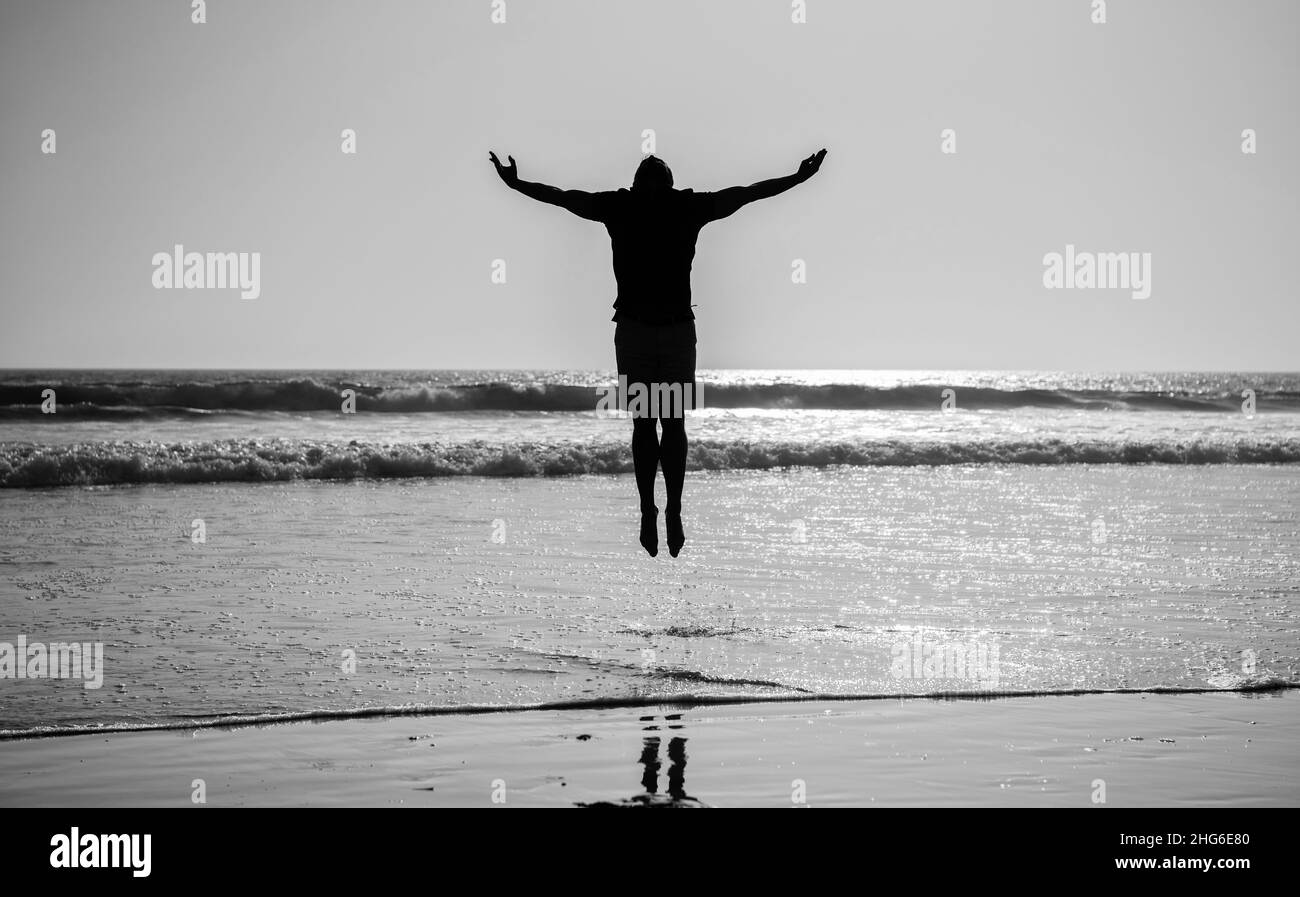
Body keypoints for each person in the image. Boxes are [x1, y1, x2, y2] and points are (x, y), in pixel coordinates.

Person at [489, 148, 827, 557]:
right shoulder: (649, 206)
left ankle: (670, 510)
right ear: (644, 184)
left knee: (665, 422)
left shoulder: (656, 205)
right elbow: (562, 196)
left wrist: (797, 178)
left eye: (655, 176)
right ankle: (652, 509)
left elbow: (749, 193)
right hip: (647, 331)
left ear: (663, 185)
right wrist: (517, 183)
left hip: (662, 331)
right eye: (648, 176)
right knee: (652, 423)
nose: (650, 180)